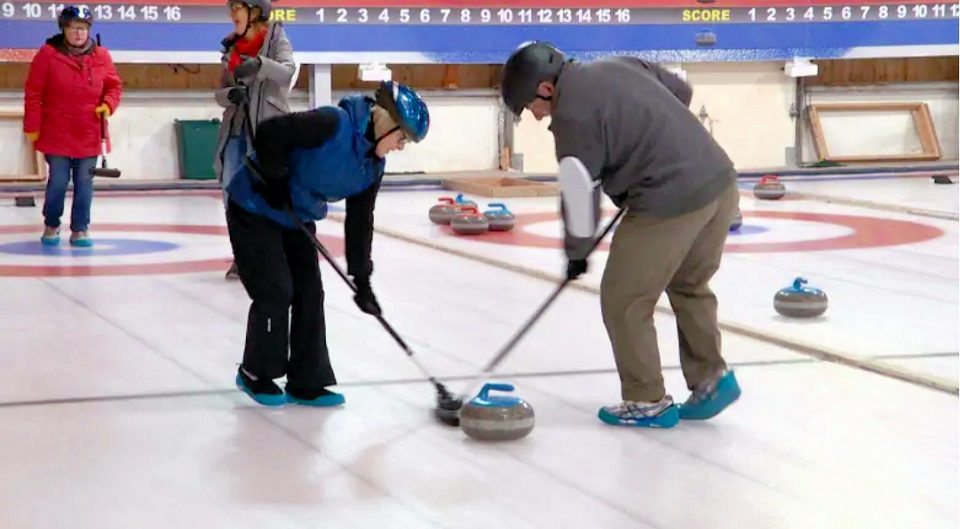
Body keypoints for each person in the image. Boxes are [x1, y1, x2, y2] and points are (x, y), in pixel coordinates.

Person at [500, 41, 741, 428]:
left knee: (624, 298)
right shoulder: (618, 64)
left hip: (669, 198)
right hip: (719, 181)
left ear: (545, 87)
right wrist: (647, 143)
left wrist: (576, 253)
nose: (537, 116)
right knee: (689, 283)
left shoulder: (572, 116)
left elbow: (580, 192)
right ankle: (712, 378)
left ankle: (646, 400)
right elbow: (680, 91)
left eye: (531, 106)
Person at [225, 81, 430, 407]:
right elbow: (270, 132)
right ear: (385, 121)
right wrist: (275, 177)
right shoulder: (332, 124)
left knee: (310, 292)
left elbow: (360, 222)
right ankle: (255, 372)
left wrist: (362, 280)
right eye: (402, 138)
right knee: (276, 289)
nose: (401, 147)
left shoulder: (372, 167)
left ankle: (306, 380)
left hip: (295, 215)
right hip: (254, 205)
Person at [23, 6, 122, 248]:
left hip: (89, 132)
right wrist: (32, 126)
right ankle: (52, 223)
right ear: (64, 29)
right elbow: (34, 92)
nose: (79, 33)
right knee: (58, 181)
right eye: (74, 28)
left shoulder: (101, 55)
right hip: (56, 131)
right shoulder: (48, 55)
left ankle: (80, 228)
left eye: (83, 28)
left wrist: (108, 105)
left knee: (84, 183)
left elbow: (114, 86)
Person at [214, 0, 295, 280]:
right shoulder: (230, 48)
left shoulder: (276, 38)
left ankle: (270, 255)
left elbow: (287, 72)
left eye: (237, 7)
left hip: (265, 133)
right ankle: (242, 257)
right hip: (235, 133)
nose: (231, 14)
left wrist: (261, 64)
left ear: (255, 12)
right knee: (231, 195)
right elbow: (219, 93)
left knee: (265, 194)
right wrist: (230, 96)